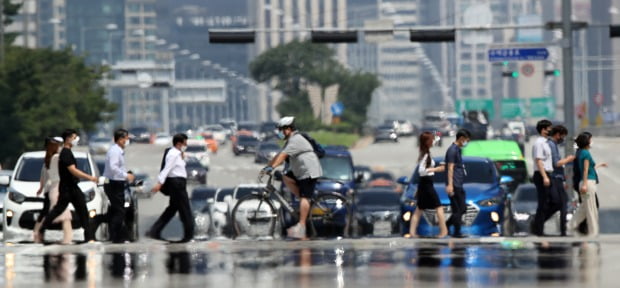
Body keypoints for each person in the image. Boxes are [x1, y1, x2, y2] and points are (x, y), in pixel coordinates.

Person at [262, 116, 322, 239]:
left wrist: (272, 168)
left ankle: (302, 225)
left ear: (288, 129)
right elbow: (278, 155)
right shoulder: (290, 141)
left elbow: (282, 156)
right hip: (300, 170)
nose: (280, 133)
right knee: (286, 177)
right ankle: (303, 202)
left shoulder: (295, 139)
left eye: (281, 130)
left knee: (305, 196)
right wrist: (266, 167)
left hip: (308, 170)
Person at [37, 129, 98, 243]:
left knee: (82, 210)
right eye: (74, 137)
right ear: (68, 139)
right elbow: (73, 170)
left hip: (72, 187)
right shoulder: (65, 153)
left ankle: (89, 237)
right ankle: (42, 228)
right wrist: (90, 177)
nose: (76, 140)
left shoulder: (67, 152)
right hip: (67, 189)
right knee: (59, 210)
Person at [148, 133, 194, 243]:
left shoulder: (177, 154)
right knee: (185, 209)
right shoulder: (173, 154)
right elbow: (167, 169)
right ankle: (189, 235)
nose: (186, 145)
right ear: (179, 143)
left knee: (172, 209)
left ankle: (154, 231)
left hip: (178, 183)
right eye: (185, 143)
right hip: (177, 184)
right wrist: (160, 183)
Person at [407, 132, 448, 238]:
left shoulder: (425, 153)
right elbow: (421, 170)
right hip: (427, 185)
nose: (433, 141)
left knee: (419, 209)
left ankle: (412, 232)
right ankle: (443, 231)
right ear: (427, 142)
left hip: (425, 184)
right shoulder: (425, 154)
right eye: (432, 139)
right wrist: (434, 169)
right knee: (438, 207)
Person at [33, 137, 73, 244]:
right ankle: (67, 240)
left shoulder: (48, 158)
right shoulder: (56, 158)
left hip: (53, 189)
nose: (60, 147)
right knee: (64, 216)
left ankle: (39, 232)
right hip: (57, 189)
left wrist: (40, 188)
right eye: (58, 145)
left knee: (60, 215)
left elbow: (43, 175)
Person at [569, 133, 607, 236]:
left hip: (586, 182)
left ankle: (570, 226)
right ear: (587, 141)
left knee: (584, 207)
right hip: (588, 183)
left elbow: (589, 168)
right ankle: (593, 231)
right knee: (591, 209)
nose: (591, 141)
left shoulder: (581, 152)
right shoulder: (586, 153)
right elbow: (585, 170)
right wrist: (585, 184)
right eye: (590, 139)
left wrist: (600, 165)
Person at [103, 129, 135, 243]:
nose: (128, 141)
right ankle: (115, 236)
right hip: (113, 184)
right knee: (120, 212)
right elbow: (113, 168)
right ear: (121, 139)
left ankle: (116, 235)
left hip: (117, 183)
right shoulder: (115, 151)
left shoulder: (118, 151)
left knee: (117, 211)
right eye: (126, 138)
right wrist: (126, 176)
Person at [546, 125, 575, 236]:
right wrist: (568, 159)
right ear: (557, 134)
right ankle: (540, 222)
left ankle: (563, 229)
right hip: (555, 178)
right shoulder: (551, 145)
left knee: (561, 203)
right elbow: (556, 163)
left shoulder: (552, 145)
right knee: (561, 203)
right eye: (562, 136)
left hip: (557, 177)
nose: (562, 139)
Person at [444, 128, 471, 237]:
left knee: (460, 209)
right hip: (454, 184)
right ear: (461, 139)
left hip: (458, 183)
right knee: (459, 209)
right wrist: (450, 185)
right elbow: (450, 168)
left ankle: (451, 228)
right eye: (466, 140)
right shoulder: (452, 150)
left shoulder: (458, 150)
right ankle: (452, 229)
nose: (467, 143)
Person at [531, 119, 553, 236]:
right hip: (541, 174)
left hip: (547, 173)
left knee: (550, 201)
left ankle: (538, 225)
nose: (551, 130)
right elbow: (538, 160)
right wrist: (545, 177)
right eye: (549, 128)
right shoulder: (539, 143)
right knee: (543, 203)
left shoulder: (546, 142)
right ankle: (538, 229)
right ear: (543, 130)